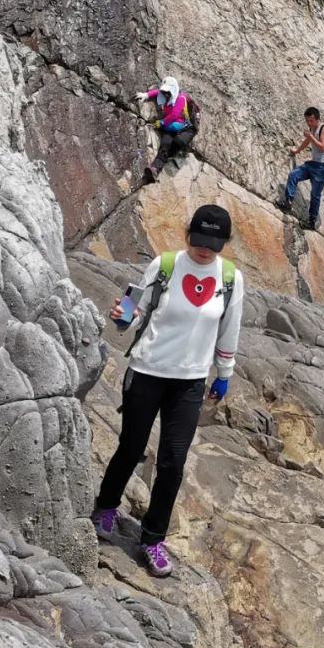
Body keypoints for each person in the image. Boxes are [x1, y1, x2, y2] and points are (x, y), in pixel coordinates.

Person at [90, 204, 243, 577]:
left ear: (224, 243)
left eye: (214, 243)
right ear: (188, 233)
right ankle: (106, 508)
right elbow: (139, 310)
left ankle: (153, 538)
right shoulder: (166, 265)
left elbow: (229, 328)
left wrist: (224, 373)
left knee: (173, 463)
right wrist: (123, 316)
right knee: (130, 447)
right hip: (147, 371)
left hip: (189, 382)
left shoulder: (229, 278)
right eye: (199, 240)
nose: (204, 249)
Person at [278, 107, 324, 230]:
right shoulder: (312, 129)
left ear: (317, 119)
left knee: (315, 194)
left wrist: (311, 136)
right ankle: (288, 202)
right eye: (307, 120)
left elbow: (322, 147)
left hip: (323, 166)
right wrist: (297, 151)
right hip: (313, 164)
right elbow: (307, 141)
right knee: (294, 175)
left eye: (311, 120)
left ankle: (312, 221)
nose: (309, 123)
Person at [137, 75, 200, 183]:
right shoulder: (166, 95)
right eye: (164, 92)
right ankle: (155, 169)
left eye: (168, 92)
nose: (166, 94)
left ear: (173, 90)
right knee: (165, 142)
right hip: (171, 125)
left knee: (178, 141)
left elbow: (174, 116)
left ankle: (169, 155)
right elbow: (157, 92)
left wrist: (160, 123)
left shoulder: (181, 98)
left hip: (186, 126)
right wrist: (146, 95)